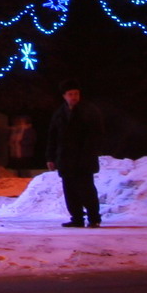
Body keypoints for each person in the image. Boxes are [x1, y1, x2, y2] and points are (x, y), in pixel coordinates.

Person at [45, 83, 105, 228]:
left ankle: (94, 218)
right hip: (65, 158)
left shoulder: (89, 111)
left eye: (76, 94)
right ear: (64, 96)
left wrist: (89, 151)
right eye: (70, 94)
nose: (74, 97)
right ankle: (77, 218)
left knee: (87, 189)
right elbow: (53, 136)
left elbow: (96, 134)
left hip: (84, 158)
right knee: (70, 190)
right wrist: (50, 158)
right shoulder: (60, 113)